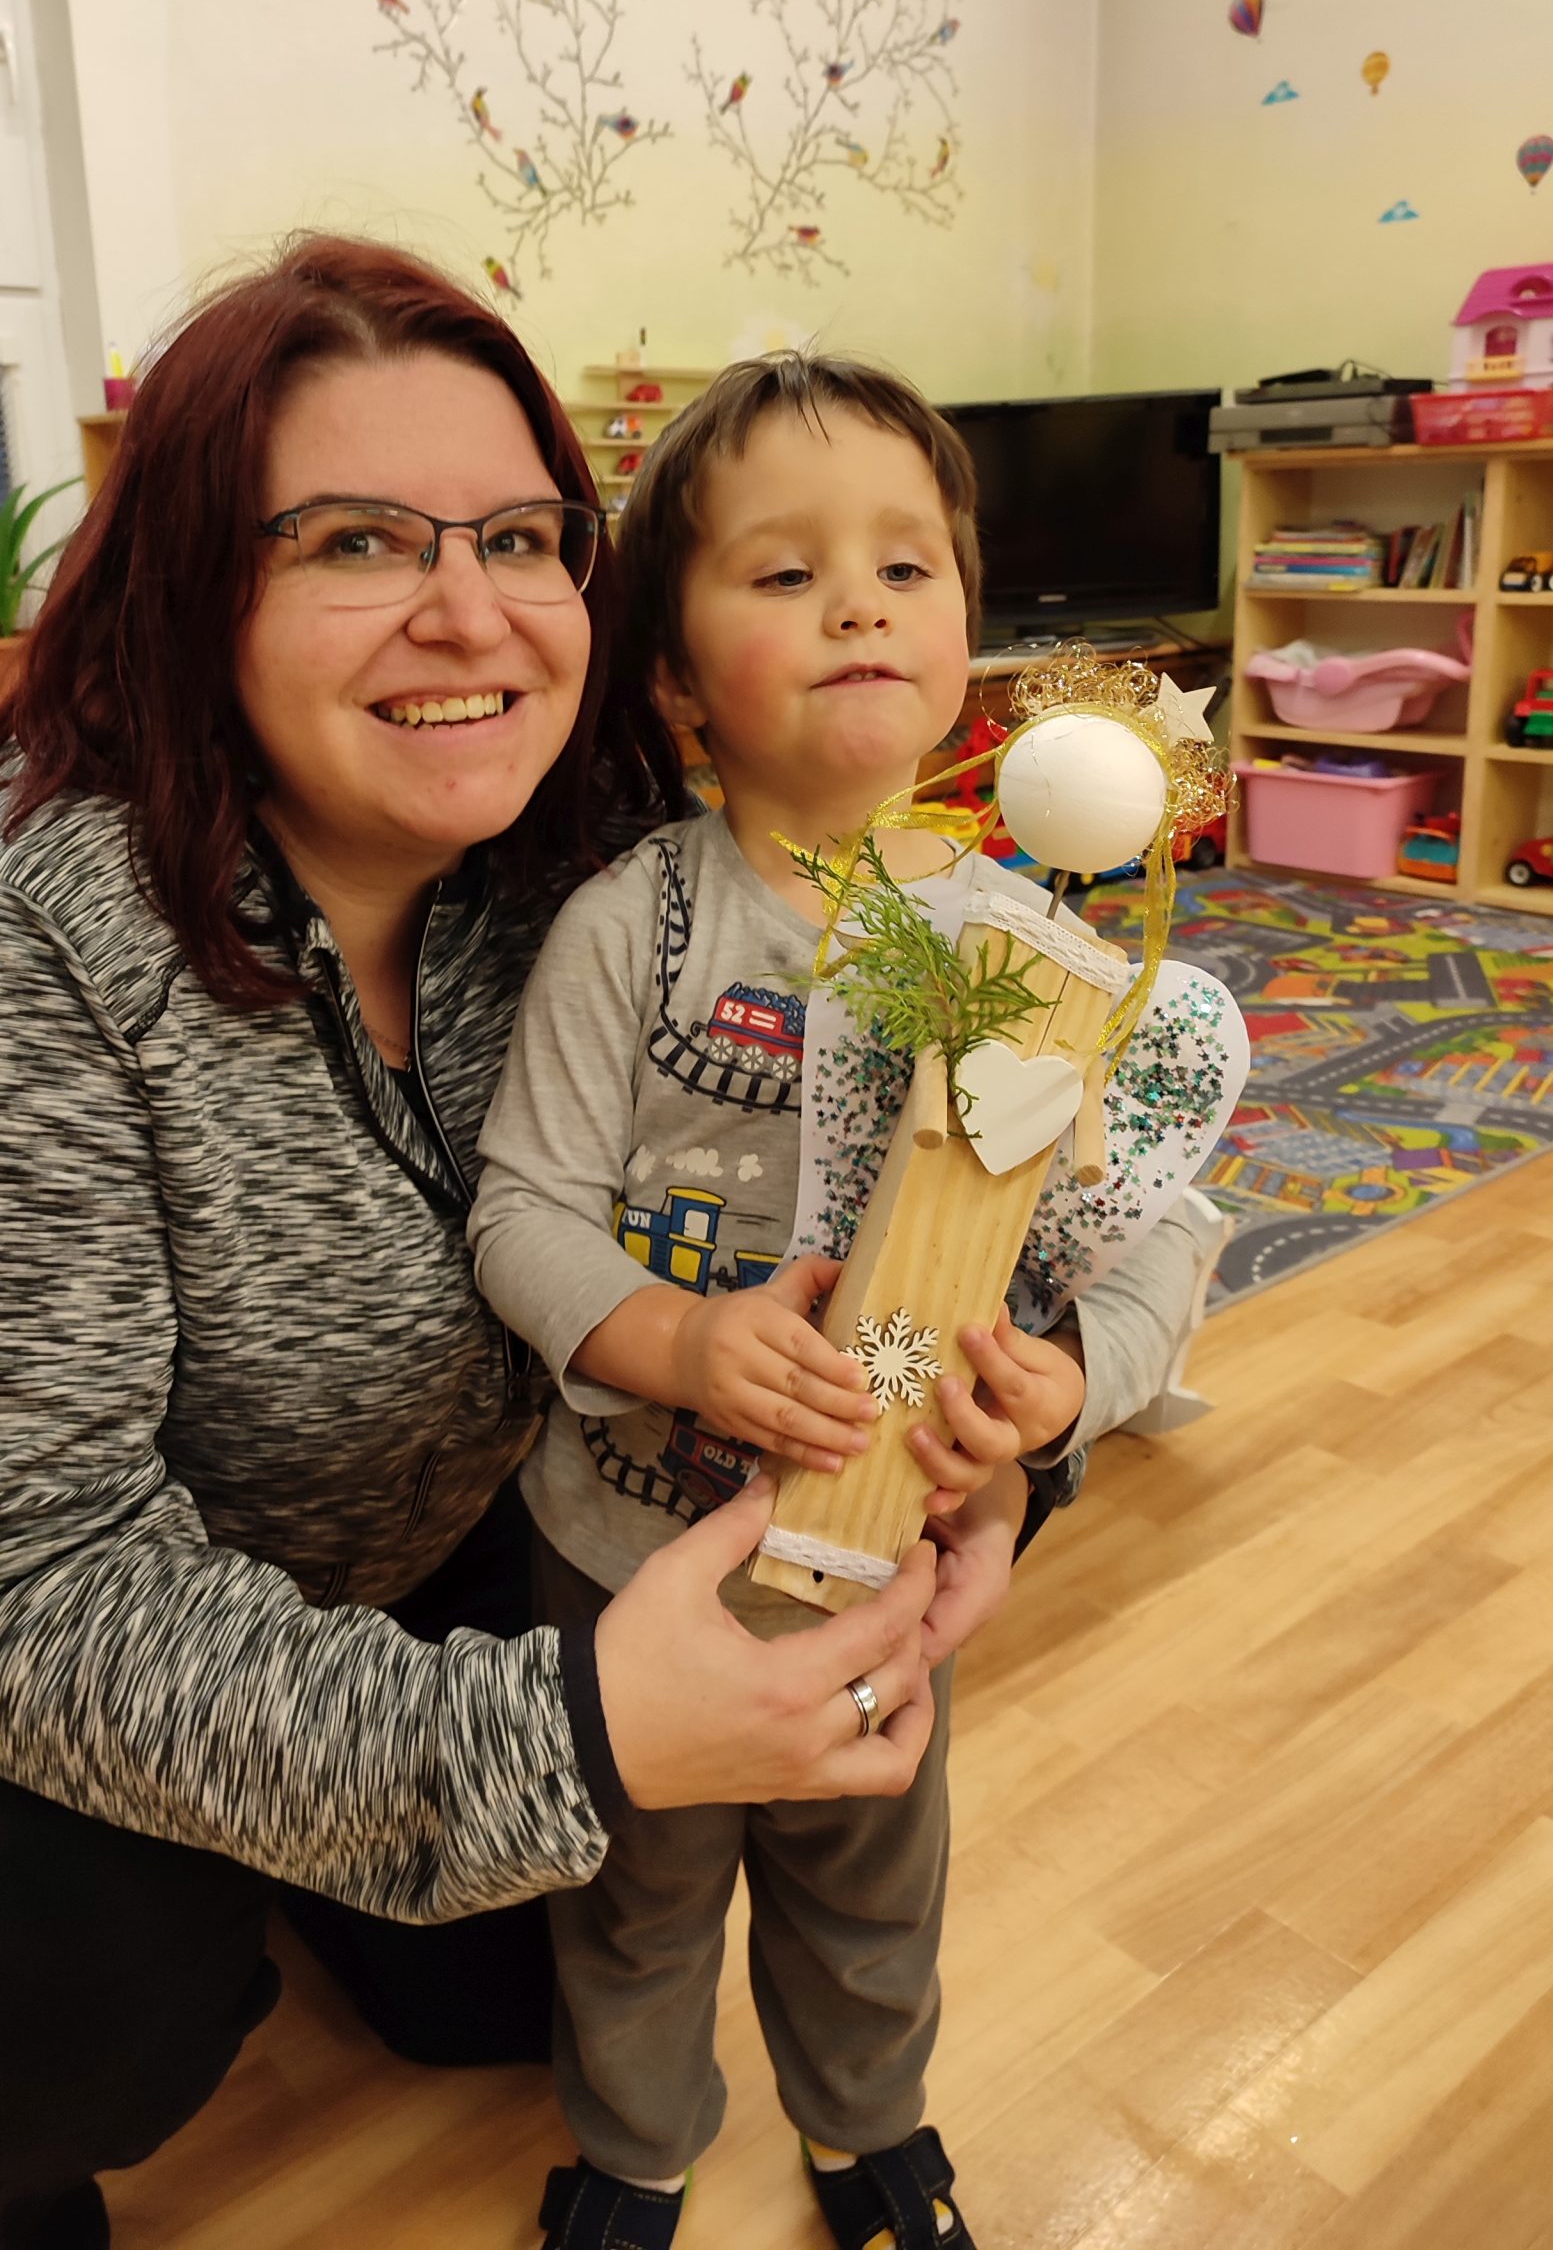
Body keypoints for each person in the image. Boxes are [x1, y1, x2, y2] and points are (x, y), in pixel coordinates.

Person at [0, 247, 1005, 2250]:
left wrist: (983, 1453)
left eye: (519, 537)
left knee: (514, 1972)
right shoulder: (4, 944)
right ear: (189, 592)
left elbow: (836, 1215)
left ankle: (304, 1820)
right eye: (354, 539)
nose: (468, 610)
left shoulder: (596, 850)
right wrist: (573, 1730)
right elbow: (4, 1584)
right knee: (79, 1973)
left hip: (367, 1496)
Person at [470, 354, 1243, 2250]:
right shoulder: (631, 929)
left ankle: (867, 2124)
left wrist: (1070, 1387)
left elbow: (1161, 1232)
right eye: (786, 571)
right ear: (673, 676)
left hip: (889, 1567)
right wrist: (675, 1340)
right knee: (633, 1901)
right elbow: (522, 1216)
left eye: (907, 567)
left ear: (970, 639)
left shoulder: (1035, 949)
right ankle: (634, 2149)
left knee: (872, 1885)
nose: (859, 607)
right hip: (627, 1556)